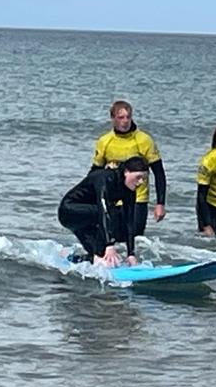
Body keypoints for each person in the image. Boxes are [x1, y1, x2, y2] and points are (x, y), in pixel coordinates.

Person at [58, 156, 149, 267]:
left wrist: (131, 254)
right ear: (126, 172)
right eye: (138, 177)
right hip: (69, 212)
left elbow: (129, 223)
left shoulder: (130, 191)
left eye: (144, 178)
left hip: (88, 218)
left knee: (100, 255)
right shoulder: (106, 178)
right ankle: (99, 255)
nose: (140, 182)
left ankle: (70, 260)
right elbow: (104, 211)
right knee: (112, 214)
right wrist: (109, 244)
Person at [91, 100, 166, 234]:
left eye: (128, 117)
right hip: (112, 199)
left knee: (134, 239)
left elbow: (159, 173)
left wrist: (160, 204)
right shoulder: (105, 141)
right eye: (121, 117)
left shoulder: (144, 140)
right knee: (110, 239)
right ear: (113, 118)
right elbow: (95, 173)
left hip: (138, 199)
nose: (125, 121)